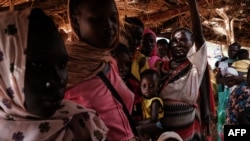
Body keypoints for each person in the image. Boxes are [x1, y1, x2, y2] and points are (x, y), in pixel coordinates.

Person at [0, 8, 108, 141]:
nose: (59, 79)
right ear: (3, 70)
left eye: (62, 65)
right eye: (38, 65)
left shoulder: (84, 125)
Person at [65, 0, 138, 140]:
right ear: (75, 22)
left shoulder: (108, 62)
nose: (109, 26)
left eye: (113, 18)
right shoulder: (64, 72)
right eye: (97, 20)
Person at [159, 0, 207, 140]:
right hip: (164, 127)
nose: (178, 44)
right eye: (175, 41)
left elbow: (199, 35)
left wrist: (192, 3)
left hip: (187, 125)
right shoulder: (162, 67)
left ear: (191, 43)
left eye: (183, 40)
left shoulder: (195, 65)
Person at [111, 43, 142, 122]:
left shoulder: (134, 84)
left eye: (127, 64)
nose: (123, 68)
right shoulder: (104, 86)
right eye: (119, 64)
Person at [136, 69, 164, 140]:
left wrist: (139, 122)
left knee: (138, 129)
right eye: (144, 86)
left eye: (151, 86)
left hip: (157, 126)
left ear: (158, 86)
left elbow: (153, 119)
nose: (147, 89)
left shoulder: (155, 101)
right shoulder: (143, 99)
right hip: (149, 124)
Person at [121, 17, 149, 82]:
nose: (135, 42)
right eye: (131, 37)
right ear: (121, 34)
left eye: (139, 38)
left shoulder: (141, 60)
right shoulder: (110, 57)